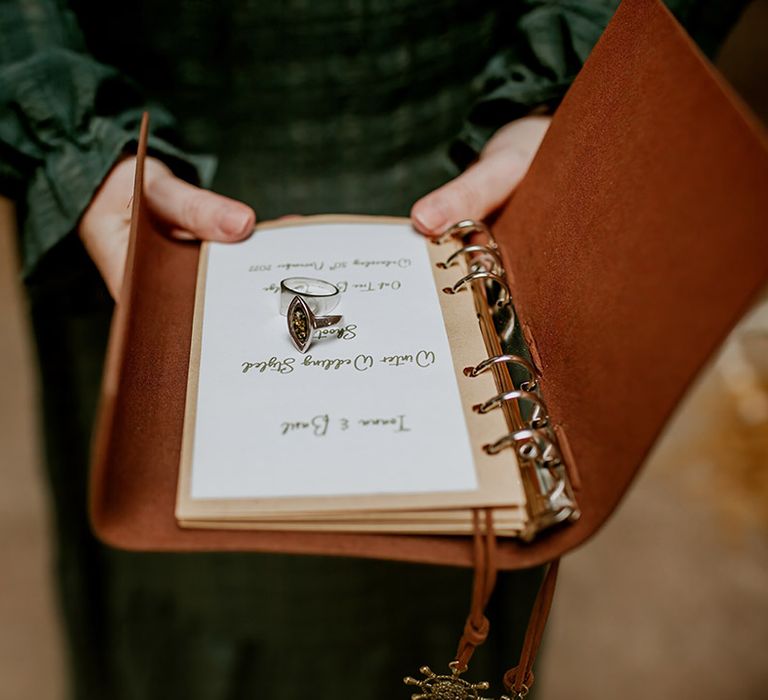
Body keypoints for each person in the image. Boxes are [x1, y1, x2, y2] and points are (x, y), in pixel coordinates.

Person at [0, 1, 749, 698]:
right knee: (196, 597)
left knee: (454, 569)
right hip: (148, 195)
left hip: (478, 174)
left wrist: (570, 94)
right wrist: (78, 148)